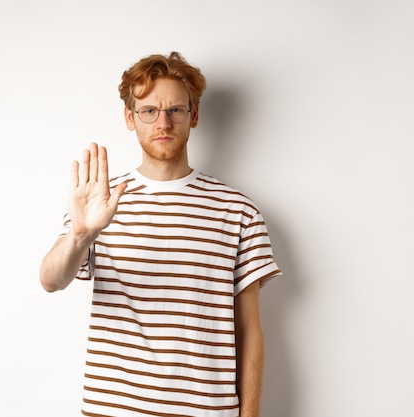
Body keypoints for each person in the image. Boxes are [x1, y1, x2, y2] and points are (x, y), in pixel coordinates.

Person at [40, 51, 281, 417]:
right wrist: (80, 235)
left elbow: (250, 332)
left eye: (175, 110)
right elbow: (51, 280)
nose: (162, 122)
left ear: (194, 115)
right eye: (148, 110)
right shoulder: (100, 203)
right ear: (130, 117)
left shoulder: (239, 211)